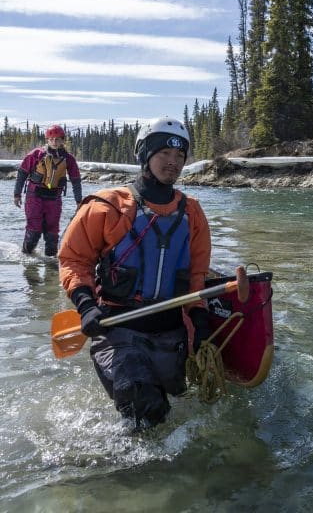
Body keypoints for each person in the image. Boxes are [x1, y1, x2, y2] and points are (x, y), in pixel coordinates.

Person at [58, 117, 212, 430]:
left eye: (180, 156)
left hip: (171, 335)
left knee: (176, 404)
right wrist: (86, 306)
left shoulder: (192, 212)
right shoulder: (106, 206)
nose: (173, 162)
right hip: (118, 334)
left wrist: (200, 320)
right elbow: (74, 260)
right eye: (164, 154)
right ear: (144, 154)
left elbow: (197, 276)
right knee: (148, 409)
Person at [13, 125, 82, 256]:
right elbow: (22, 174)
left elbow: (76, 180)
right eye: (51, 139)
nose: (54, 142)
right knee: (34, 231)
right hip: (34, 196)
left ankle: (51, 268)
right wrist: (17, 194)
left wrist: (79, 201)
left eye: (57, 139)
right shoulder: (36, 154)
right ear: (47, 140)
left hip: (54, 198)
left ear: (63, 140)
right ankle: (27, 260)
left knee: (52, 235)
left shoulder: (69, 159)